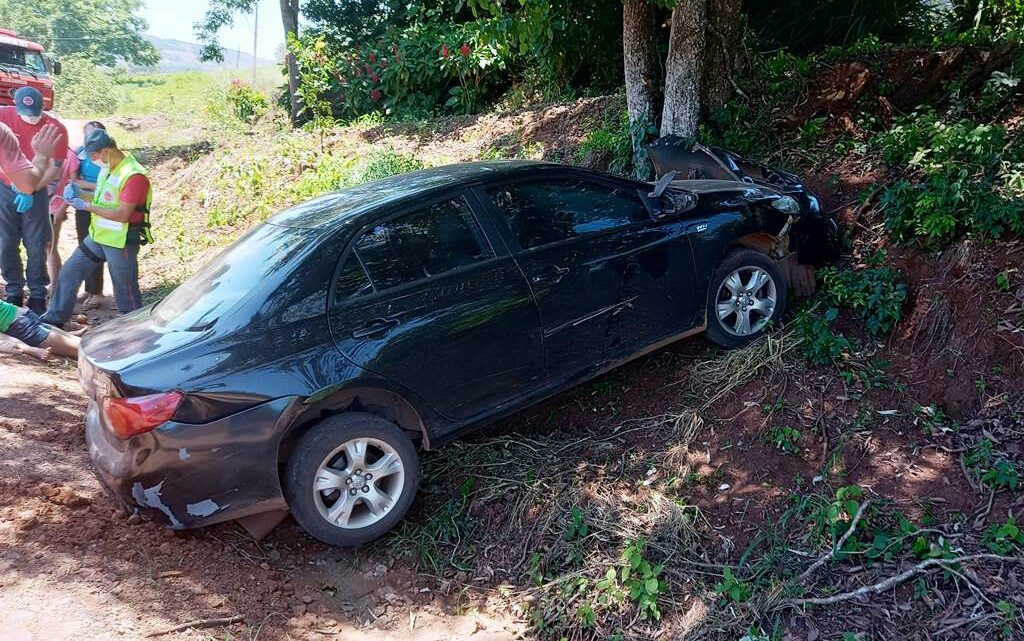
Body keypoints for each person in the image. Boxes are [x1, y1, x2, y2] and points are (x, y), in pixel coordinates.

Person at [41, 128, 153, 327]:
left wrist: (87, 206)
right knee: (69, 273)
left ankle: (134, 330)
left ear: (106, 152)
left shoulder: (133, 176)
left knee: (125, 289)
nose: (92, 160)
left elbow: (122, 214)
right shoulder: (106, 169)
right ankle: (54, 320)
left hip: (121, 240)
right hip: (98, 237)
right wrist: (77, 195)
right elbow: (103, 199)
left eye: (93, 156)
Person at [0, 87, 69, 313]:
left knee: (37, 243)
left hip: (36, 189)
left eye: (35, 112)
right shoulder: (3, 118)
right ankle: (14, 292)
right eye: (25, 112)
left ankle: (38, 295)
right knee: (6, 242)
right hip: (4, 185)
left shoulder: (55, 128)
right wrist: (15, 183)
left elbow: (54, 168)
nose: (30, 117)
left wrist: (29, 189)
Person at [72, 121, 107, 309]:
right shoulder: (79, 152)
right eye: (87, 134)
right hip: (83, 207)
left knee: (98, 246)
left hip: (104, 207)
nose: (90, 138)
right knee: (84, 245)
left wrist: (86, 185)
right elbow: (72, 178)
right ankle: (89, 288)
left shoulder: (108, 156)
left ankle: (97, 292)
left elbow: (113, 184)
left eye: (95, 134)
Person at [0, 298, 80, 360]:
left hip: (20, 326)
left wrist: (27, 349)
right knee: (82, 344)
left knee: (82, 350)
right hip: (24, 314)